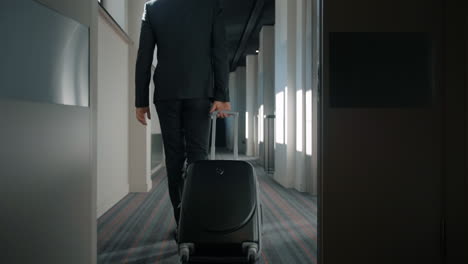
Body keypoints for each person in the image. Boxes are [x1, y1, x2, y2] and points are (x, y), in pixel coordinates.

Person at [134, 0, 231, 232]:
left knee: (174, 158)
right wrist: (222, 94)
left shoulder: (153, 8)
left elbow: (144, 57)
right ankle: (199, 221)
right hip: (200, 91)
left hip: (166, 93)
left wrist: (140, 101)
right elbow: (220, 51)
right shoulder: (209, 6)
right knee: (199, 156)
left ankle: (183, 222)